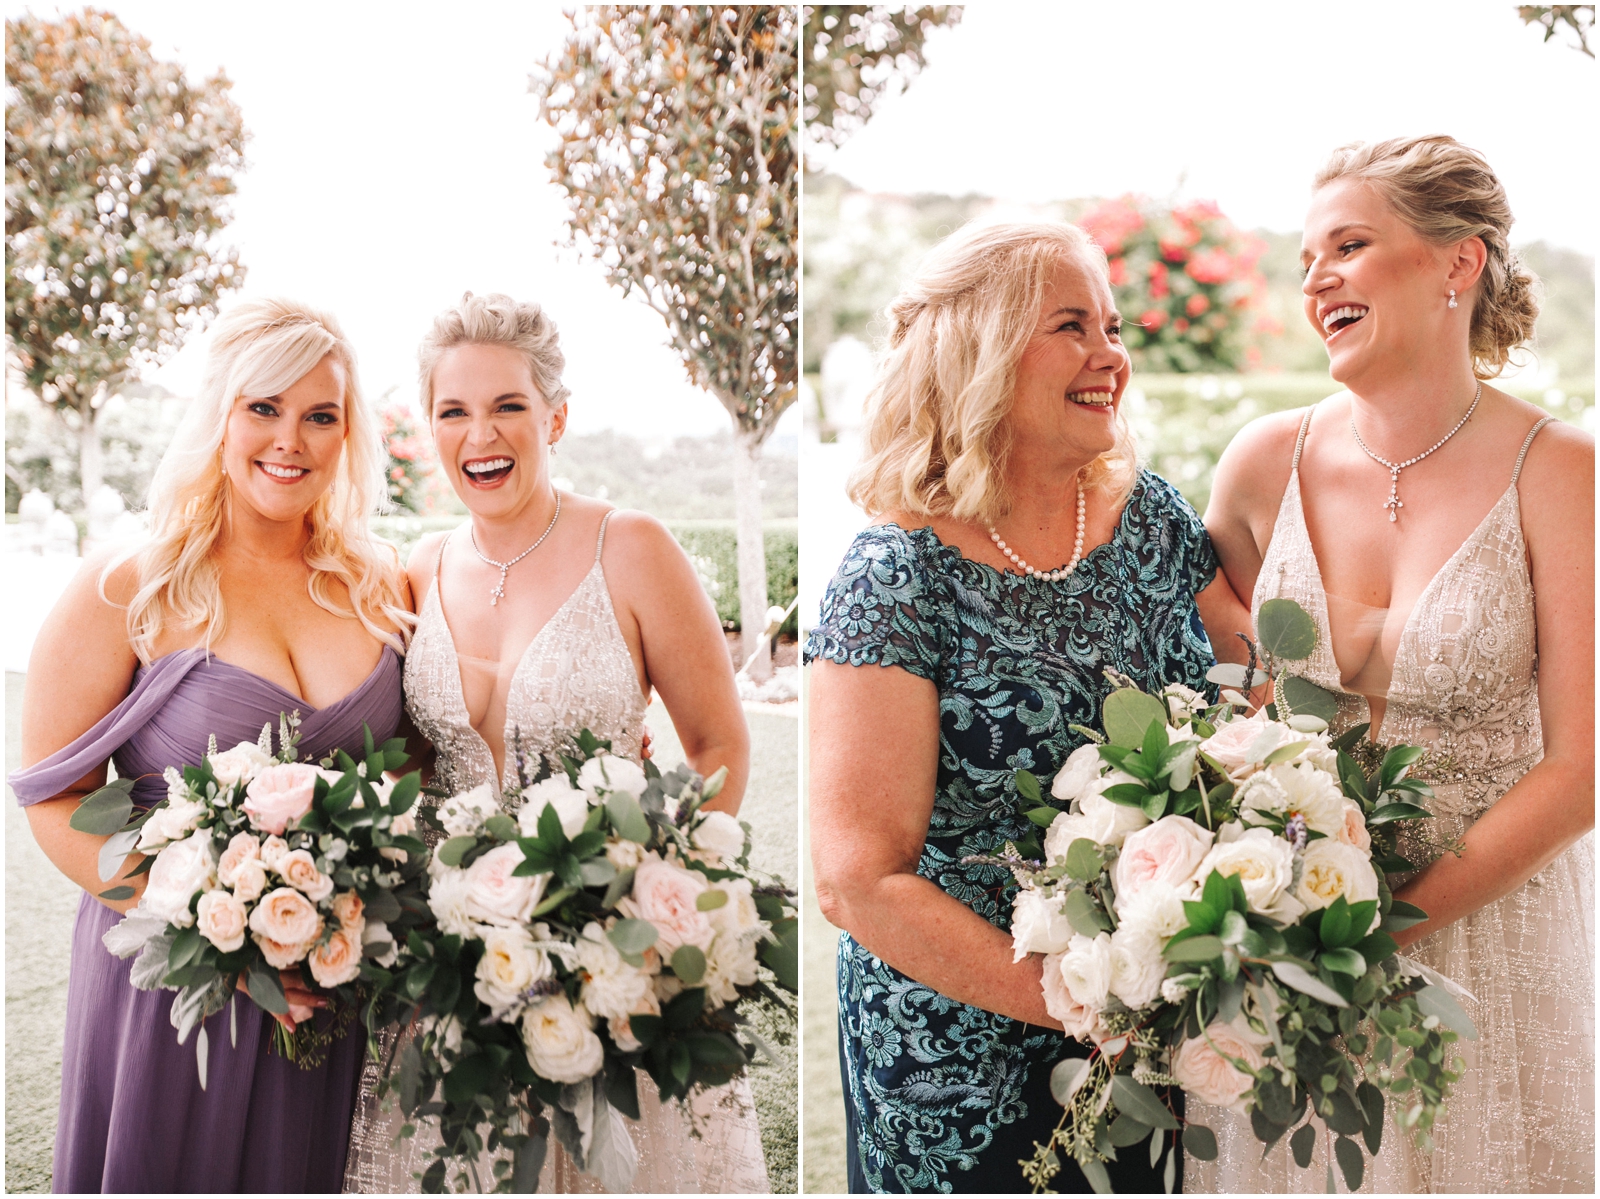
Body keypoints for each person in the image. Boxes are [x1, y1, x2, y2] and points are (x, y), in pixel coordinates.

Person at [806, 221, 1249, 1194]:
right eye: (1070, 326)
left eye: (1112, 324)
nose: (1110, 356)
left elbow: (1250, 690)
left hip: (1155, 1035)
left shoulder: (1150, 517)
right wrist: (1095, 998)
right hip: (955, 1058)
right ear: (982, 349)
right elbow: (856, 880)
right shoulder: (895, 575)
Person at [1199, 135, 1594, 1193]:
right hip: (1289, 947)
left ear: (1455, 264)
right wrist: (1292, 923)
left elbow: (1581, 770)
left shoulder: (1559, 472)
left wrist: (1374, 929)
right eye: (1304, 259)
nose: (1315, 276)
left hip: (1487, 935)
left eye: (1349, 244)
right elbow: (1228, 693)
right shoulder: (1257, 463)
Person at [340, 292, 770, 1194]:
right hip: (451, 968)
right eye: (453, 410)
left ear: (556, 417)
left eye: (508, 406)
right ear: (429, 427)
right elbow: (411, 763)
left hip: (606, 960)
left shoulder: (634, 548)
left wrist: (638, 903)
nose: (480, 433)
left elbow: (716, 740)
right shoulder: (417, 567)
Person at [9, 299, 411, 1192]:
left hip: (331, 996)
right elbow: (51, 796)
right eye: (264, 407)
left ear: (349, 436)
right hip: (171, 990)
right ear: (219, 415)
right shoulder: (130, 584)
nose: (291, 440)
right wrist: (209, 932)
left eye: (321, 415)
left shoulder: (380, 585)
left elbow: (420, 764)